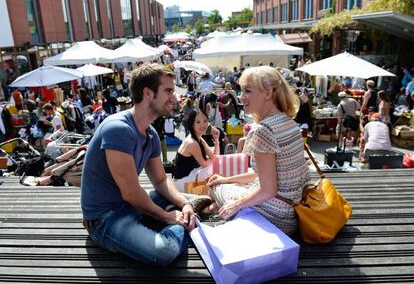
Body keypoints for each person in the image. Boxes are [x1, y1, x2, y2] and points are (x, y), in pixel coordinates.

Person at [81, 63, 202, 267]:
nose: (174, 97)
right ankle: (184, 225)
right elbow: (130, 192)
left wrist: (185, 205)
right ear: (148, 93)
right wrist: (168, 217)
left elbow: (162, 181)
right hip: (105, 219)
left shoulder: (150, 134)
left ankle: (185, 215)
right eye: (168, 91)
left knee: (192, 199)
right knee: (165, 251)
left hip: (130, 206)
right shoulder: (118, 129)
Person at [206, 66, 310, 235]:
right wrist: (227, 179)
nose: (241, 97)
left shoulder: (263, 130)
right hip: (294, 213)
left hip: (274, 217)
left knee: (213, 187)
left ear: (268, 93)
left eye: (247, 91)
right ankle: (215, 208)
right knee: (223, 184)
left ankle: (216, 209)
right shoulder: (289, 122)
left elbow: (268, 191)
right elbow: (267, 175)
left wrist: (236, 204)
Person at [173, 109, 220, 192]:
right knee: (213, 168)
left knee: (215, 166)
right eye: (198, 122)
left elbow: (215, 157)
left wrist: (216, 140)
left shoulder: (199, 138)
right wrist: (213, 160)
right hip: (182, 183)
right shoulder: (192, 142)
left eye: (205, 121)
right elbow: (205, 163)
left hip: (189, 178)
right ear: (192, 125)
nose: (203, 125)